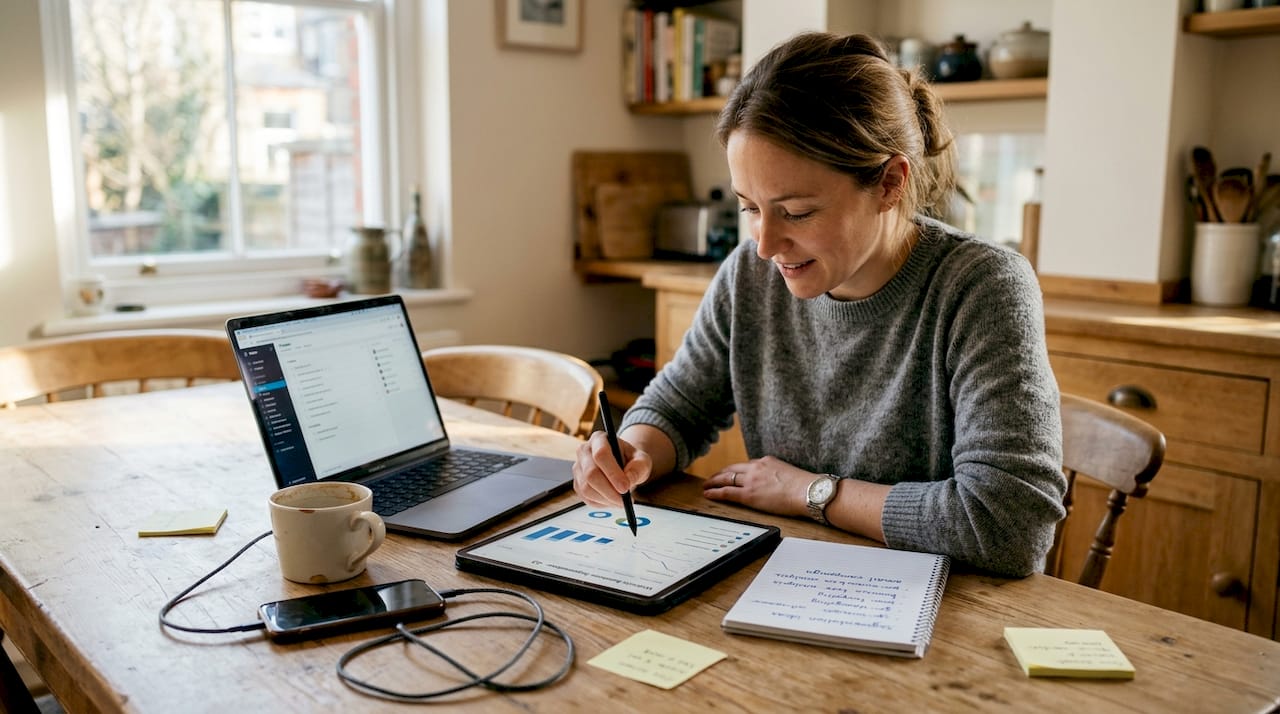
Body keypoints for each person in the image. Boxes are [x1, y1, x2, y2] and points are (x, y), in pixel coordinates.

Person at [573, 32, 1065, 577]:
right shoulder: (750, 274)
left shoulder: (983, 287)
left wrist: (810, 493)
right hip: (791, 583)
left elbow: (1009, 524)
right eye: (749, 208)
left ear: (889, 183)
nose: (765, 244)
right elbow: (677, 408)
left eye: (797, 212)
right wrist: (629, 454)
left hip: (949, 612)